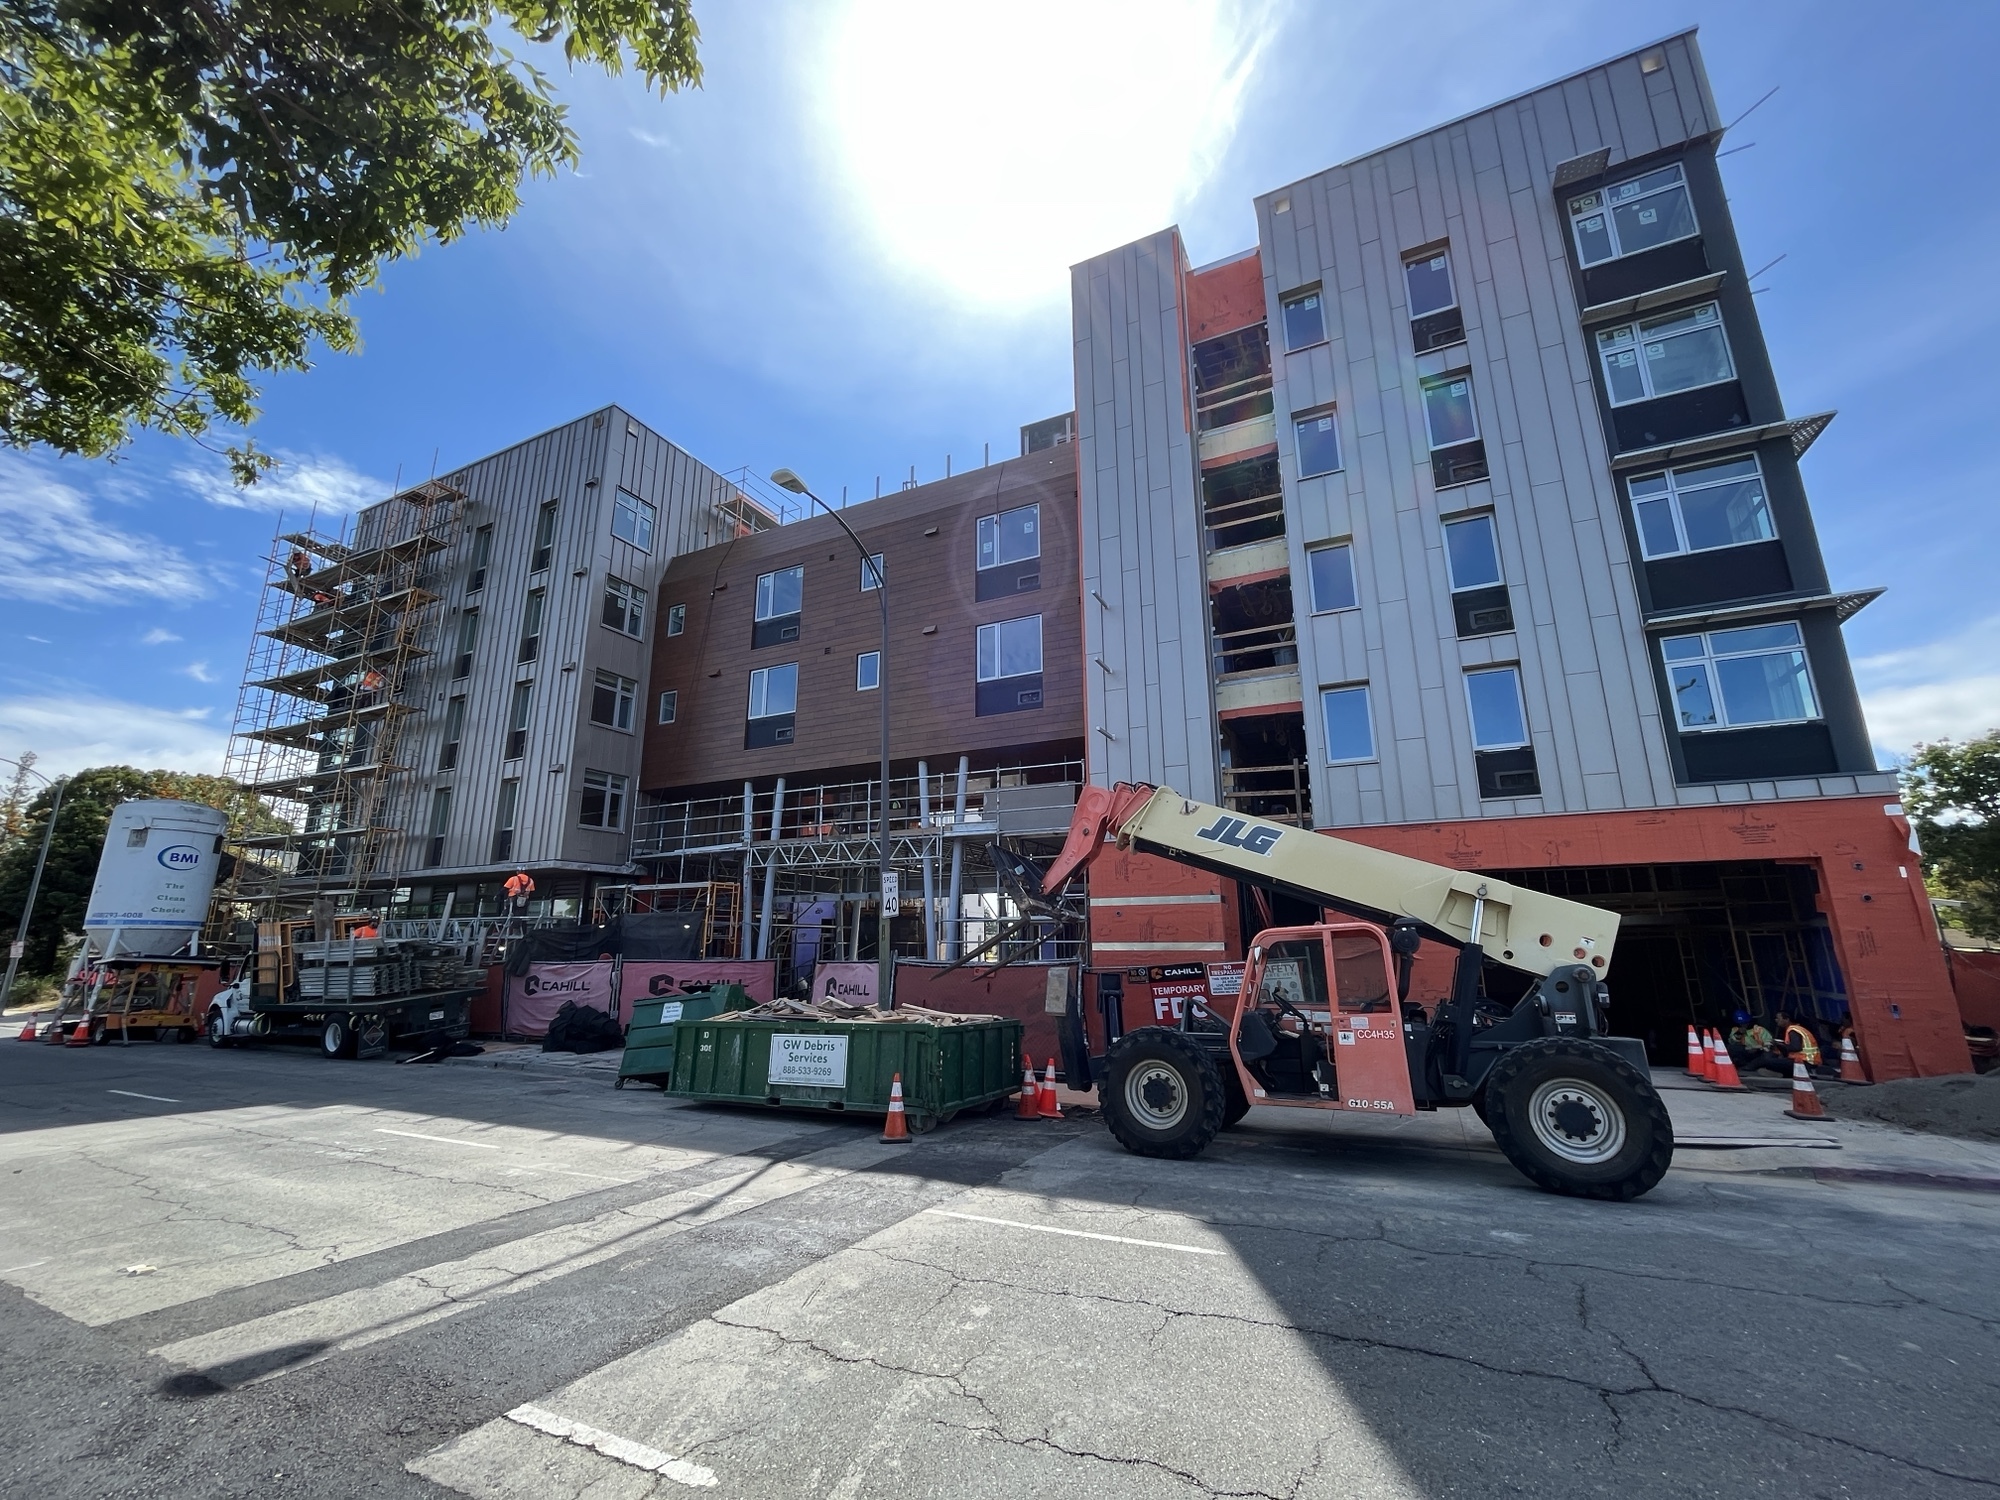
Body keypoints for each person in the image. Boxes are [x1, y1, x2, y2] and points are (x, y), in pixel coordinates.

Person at [1727, 1010, 1790, 1076]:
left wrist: (1758, 1048)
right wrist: (1739, 1034)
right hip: (1746, 1051)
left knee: (1767, 1056)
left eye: (1745, 1023)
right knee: (1730, 1048)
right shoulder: (1735, 1030)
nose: (1743, 1025)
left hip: (1760, 1052)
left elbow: (1769, 1043)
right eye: (1741, 1023)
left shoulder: (1759, 1030)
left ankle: (1758, 1068)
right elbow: (1732, 1042)